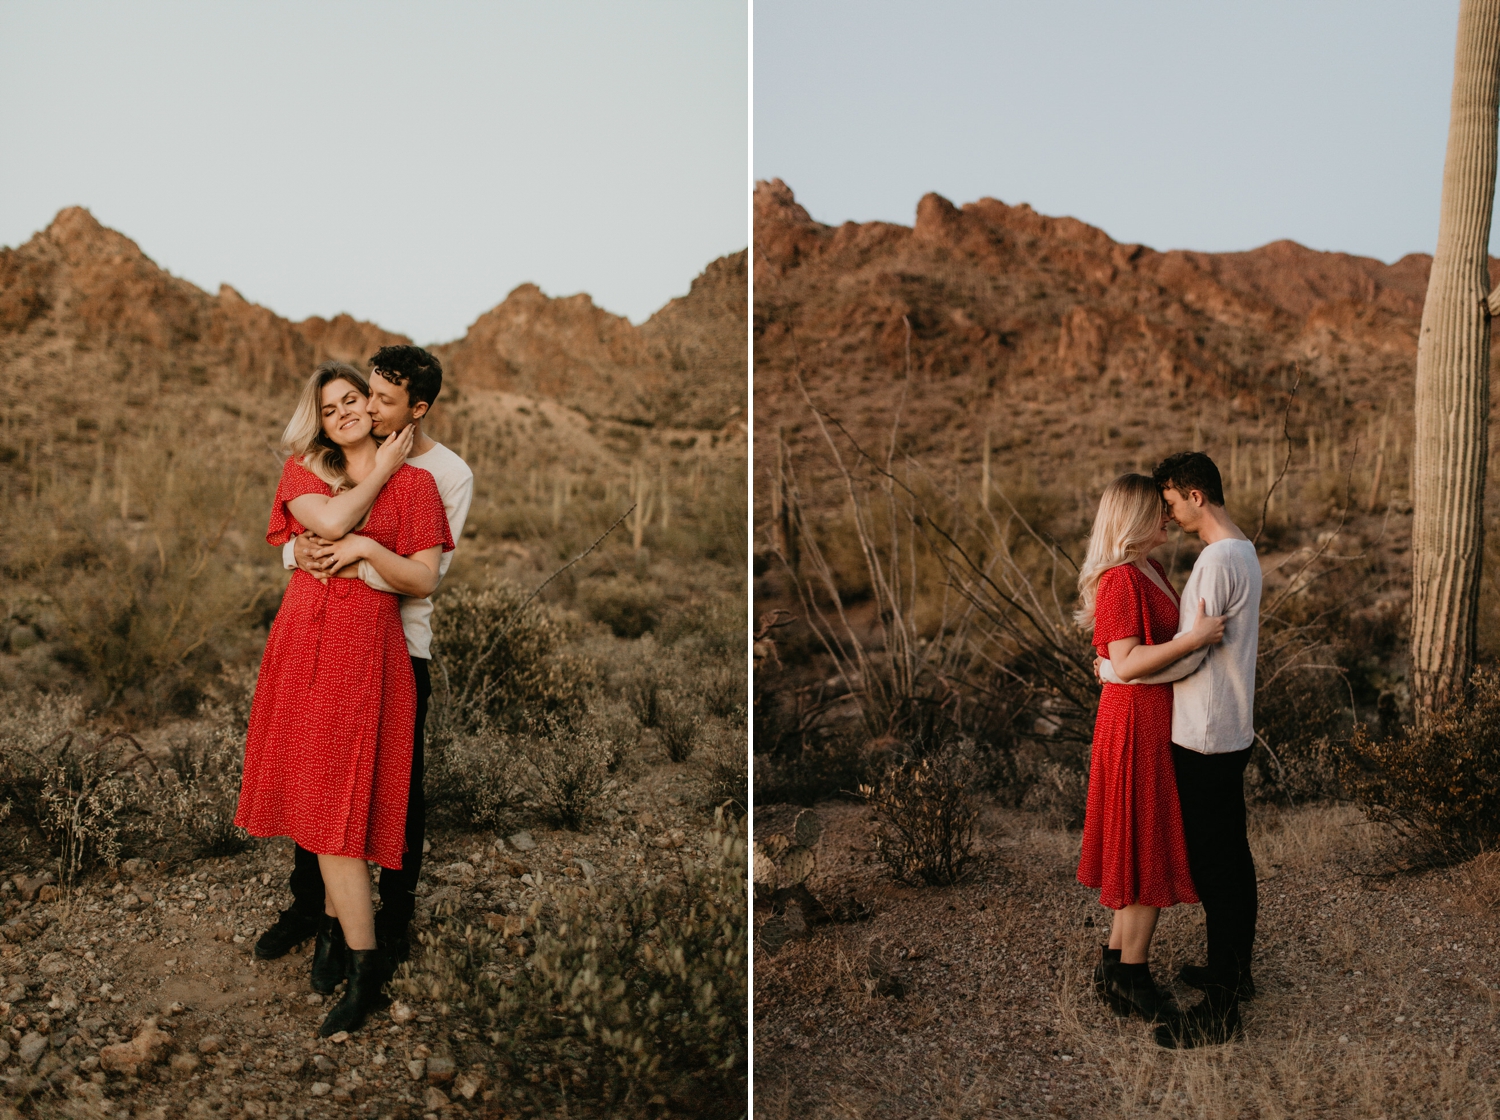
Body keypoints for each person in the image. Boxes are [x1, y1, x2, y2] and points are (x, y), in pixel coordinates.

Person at [235, 359, 454, 1037]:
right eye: (330, 408)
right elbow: (322, 528)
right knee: (321, 796)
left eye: (352, 400)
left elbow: (422, 579)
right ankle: (340, 940)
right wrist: (367, 494)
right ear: (320, 420)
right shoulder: (304, 471)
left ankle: (358, 962)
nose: (344, 413)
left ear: (376, 405)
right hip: (305, 640)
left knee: (345, 800)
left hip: (369, 651)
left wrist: (363, 545)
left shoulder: (422, 486)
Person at [1100, 451, 1263, 1048]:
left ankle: (1223, 1004)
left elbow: (1194, 651)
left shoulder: (1217, 560)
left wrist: (1119, 674)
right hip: (1225, 726)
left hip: (1207, 731)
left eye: (1169, 500)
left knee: (1218, 868)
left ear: (1195, 495)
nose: (1166, 512)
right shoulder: (1239, 550)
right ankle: (1232, 974)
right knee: (1228, 859)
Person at [1075, 473, 1225, 1023]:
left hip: (1151, 718)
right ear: (1134, 518)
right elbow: (1131, 658)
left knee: (1144, 836)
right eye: (1157, 510)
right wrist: (1195, 639)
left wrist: (1119, 667)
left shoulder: (1151, 570)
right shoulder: (1120, 580)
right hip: (1134, 724)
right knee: (1147, 841)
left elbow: (1124, 662)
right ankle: (1132, 976)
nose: (1167, 517)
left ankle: (1117, 963)